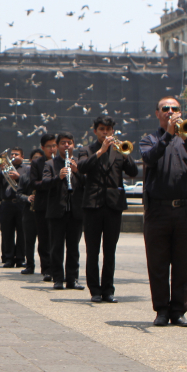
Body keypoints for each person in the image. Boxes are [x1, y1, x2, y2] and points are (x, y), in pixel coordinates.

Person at [140, 96, 187, 327]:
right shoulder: (149, 139)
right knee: (157, 262)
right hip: (157, 210)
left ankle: (178, 310)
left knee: (183, 262)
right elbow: (149, 158)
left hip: (184, 210)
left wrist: (186, 138)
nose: (170, 111)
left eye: (175, 108)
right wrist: (168, 135)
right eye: (165, 108)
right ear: (157, 114)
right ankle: (161, 309)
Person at [77, 116, 138, 303]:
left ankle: (108, 290)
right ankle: (94, 290)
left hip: (113, 205)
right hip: (93, 205)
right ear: (95, 131)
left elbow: (134, 172)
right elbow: (81, 168)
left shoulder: (119, 151)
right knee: (92, 250)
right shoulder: (86, 150)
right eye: (102, 129)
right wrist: (100, 152)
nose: (105, 132)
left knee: (110, 250)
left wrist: (126, 155)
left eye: (109, 129)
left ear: (113, 131)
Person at [43, 131, 85, 290]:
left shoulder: (79, 163)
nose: (66, 145)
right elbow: (45, 184)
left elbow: (86, 183)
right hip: (56, 211)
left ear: (73, 145)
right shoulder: (50, 164)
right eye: (63, 143)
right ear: (58, 146)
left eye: (69, 143)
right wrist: (58, 177)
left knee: (74, 247)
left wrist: (77, 172)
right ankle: (58, 279)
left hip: (75, 210)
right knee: (56, 247)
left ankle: (72, 279)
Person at [0, 148, 27, 267]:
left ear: (22, 157)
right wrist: (1, 171)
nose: (13, 156)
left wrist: (19, 177)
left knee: (22, 232)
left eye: (16, 154)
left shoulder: (26, 169)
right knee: (7, 232)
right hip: (6, 203)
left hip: (21, 203)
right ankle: (8, 258)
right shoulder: (4, 168)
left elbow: (29, 182)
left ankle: (21, 258)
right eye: (11, 154)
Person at [30, 134, 57, 282]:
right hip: (42, 205)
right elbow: (33, 183)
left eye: (54, 146)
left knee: (57, 239)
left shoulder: (61, 161)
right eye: (49, 146)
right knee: (44, 238)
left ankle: (57, 267)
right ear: (42, 147)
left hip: (58, 204)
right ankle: (46, 269)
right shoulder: (37, 163)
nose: (52, 149)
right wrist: (51, 182)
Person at [19, 149, 44, 275]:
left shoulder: (46, 174)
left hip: (43, 211)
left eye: (40, 158)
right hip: (29, 212)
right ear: (30, 160)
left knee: (44, 242)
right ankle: (29, 265)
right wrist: (27, 198)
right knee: (29, 241)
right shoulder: (24, 176)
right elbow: (18, 194)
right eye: (35, 157)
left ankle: (46, 267)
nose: (37, 160)